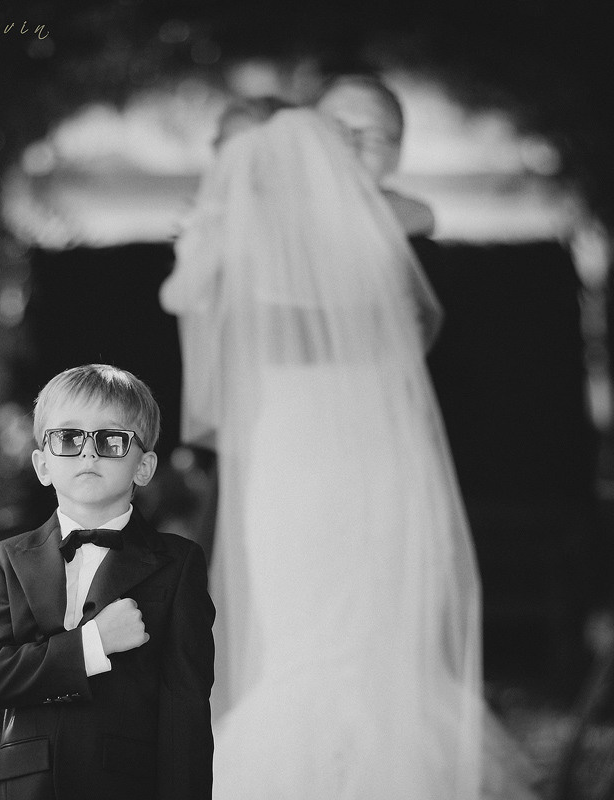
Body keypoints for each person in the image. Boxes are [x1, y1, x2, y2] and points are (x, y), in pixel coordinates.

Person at [160, 108, 538, 799]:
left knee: (307, 634)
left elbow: (180, 296)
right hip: (369, 447)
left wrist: (211, 230)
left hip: (292, 452)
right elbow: (412, 314)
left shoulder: (243, 239)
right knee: (356, 632)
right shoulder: (367, 236)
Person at [0, 364, 215, 800]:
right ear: (42, 463)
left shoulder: (177, 565)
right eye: (68, 438)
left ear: (144, 466)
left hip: (125, 784)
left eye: (111, 439)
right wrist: (91, 644)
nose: (88, 453)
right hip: (29, 785)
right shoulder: (6, 560)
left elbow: (186, 712)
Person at [316, 73, 437, 239]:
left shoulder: (412, 235)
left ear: (395, 156)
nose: (350, 147)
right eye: (336, 131)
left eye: (374, 138)